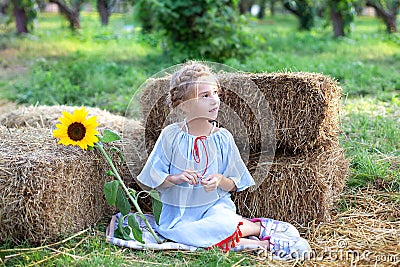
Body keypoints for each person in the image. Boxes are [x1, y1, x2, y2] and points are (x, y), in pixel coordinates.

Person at [137, 61, 311, 260]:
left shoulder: (222, 138)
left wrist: (220, 180)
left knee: (221, 223)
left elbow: (236, 183)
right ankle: (261, 243)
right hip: (178, 212)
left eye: (215, 93)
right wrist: (175, 178)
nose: (215, 101)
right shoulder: (171, 135)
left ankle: (257, 227)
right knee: (183, 233)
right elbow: (151, 178)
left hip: (215, 206)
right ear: (184, 105)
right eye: (205, 96)